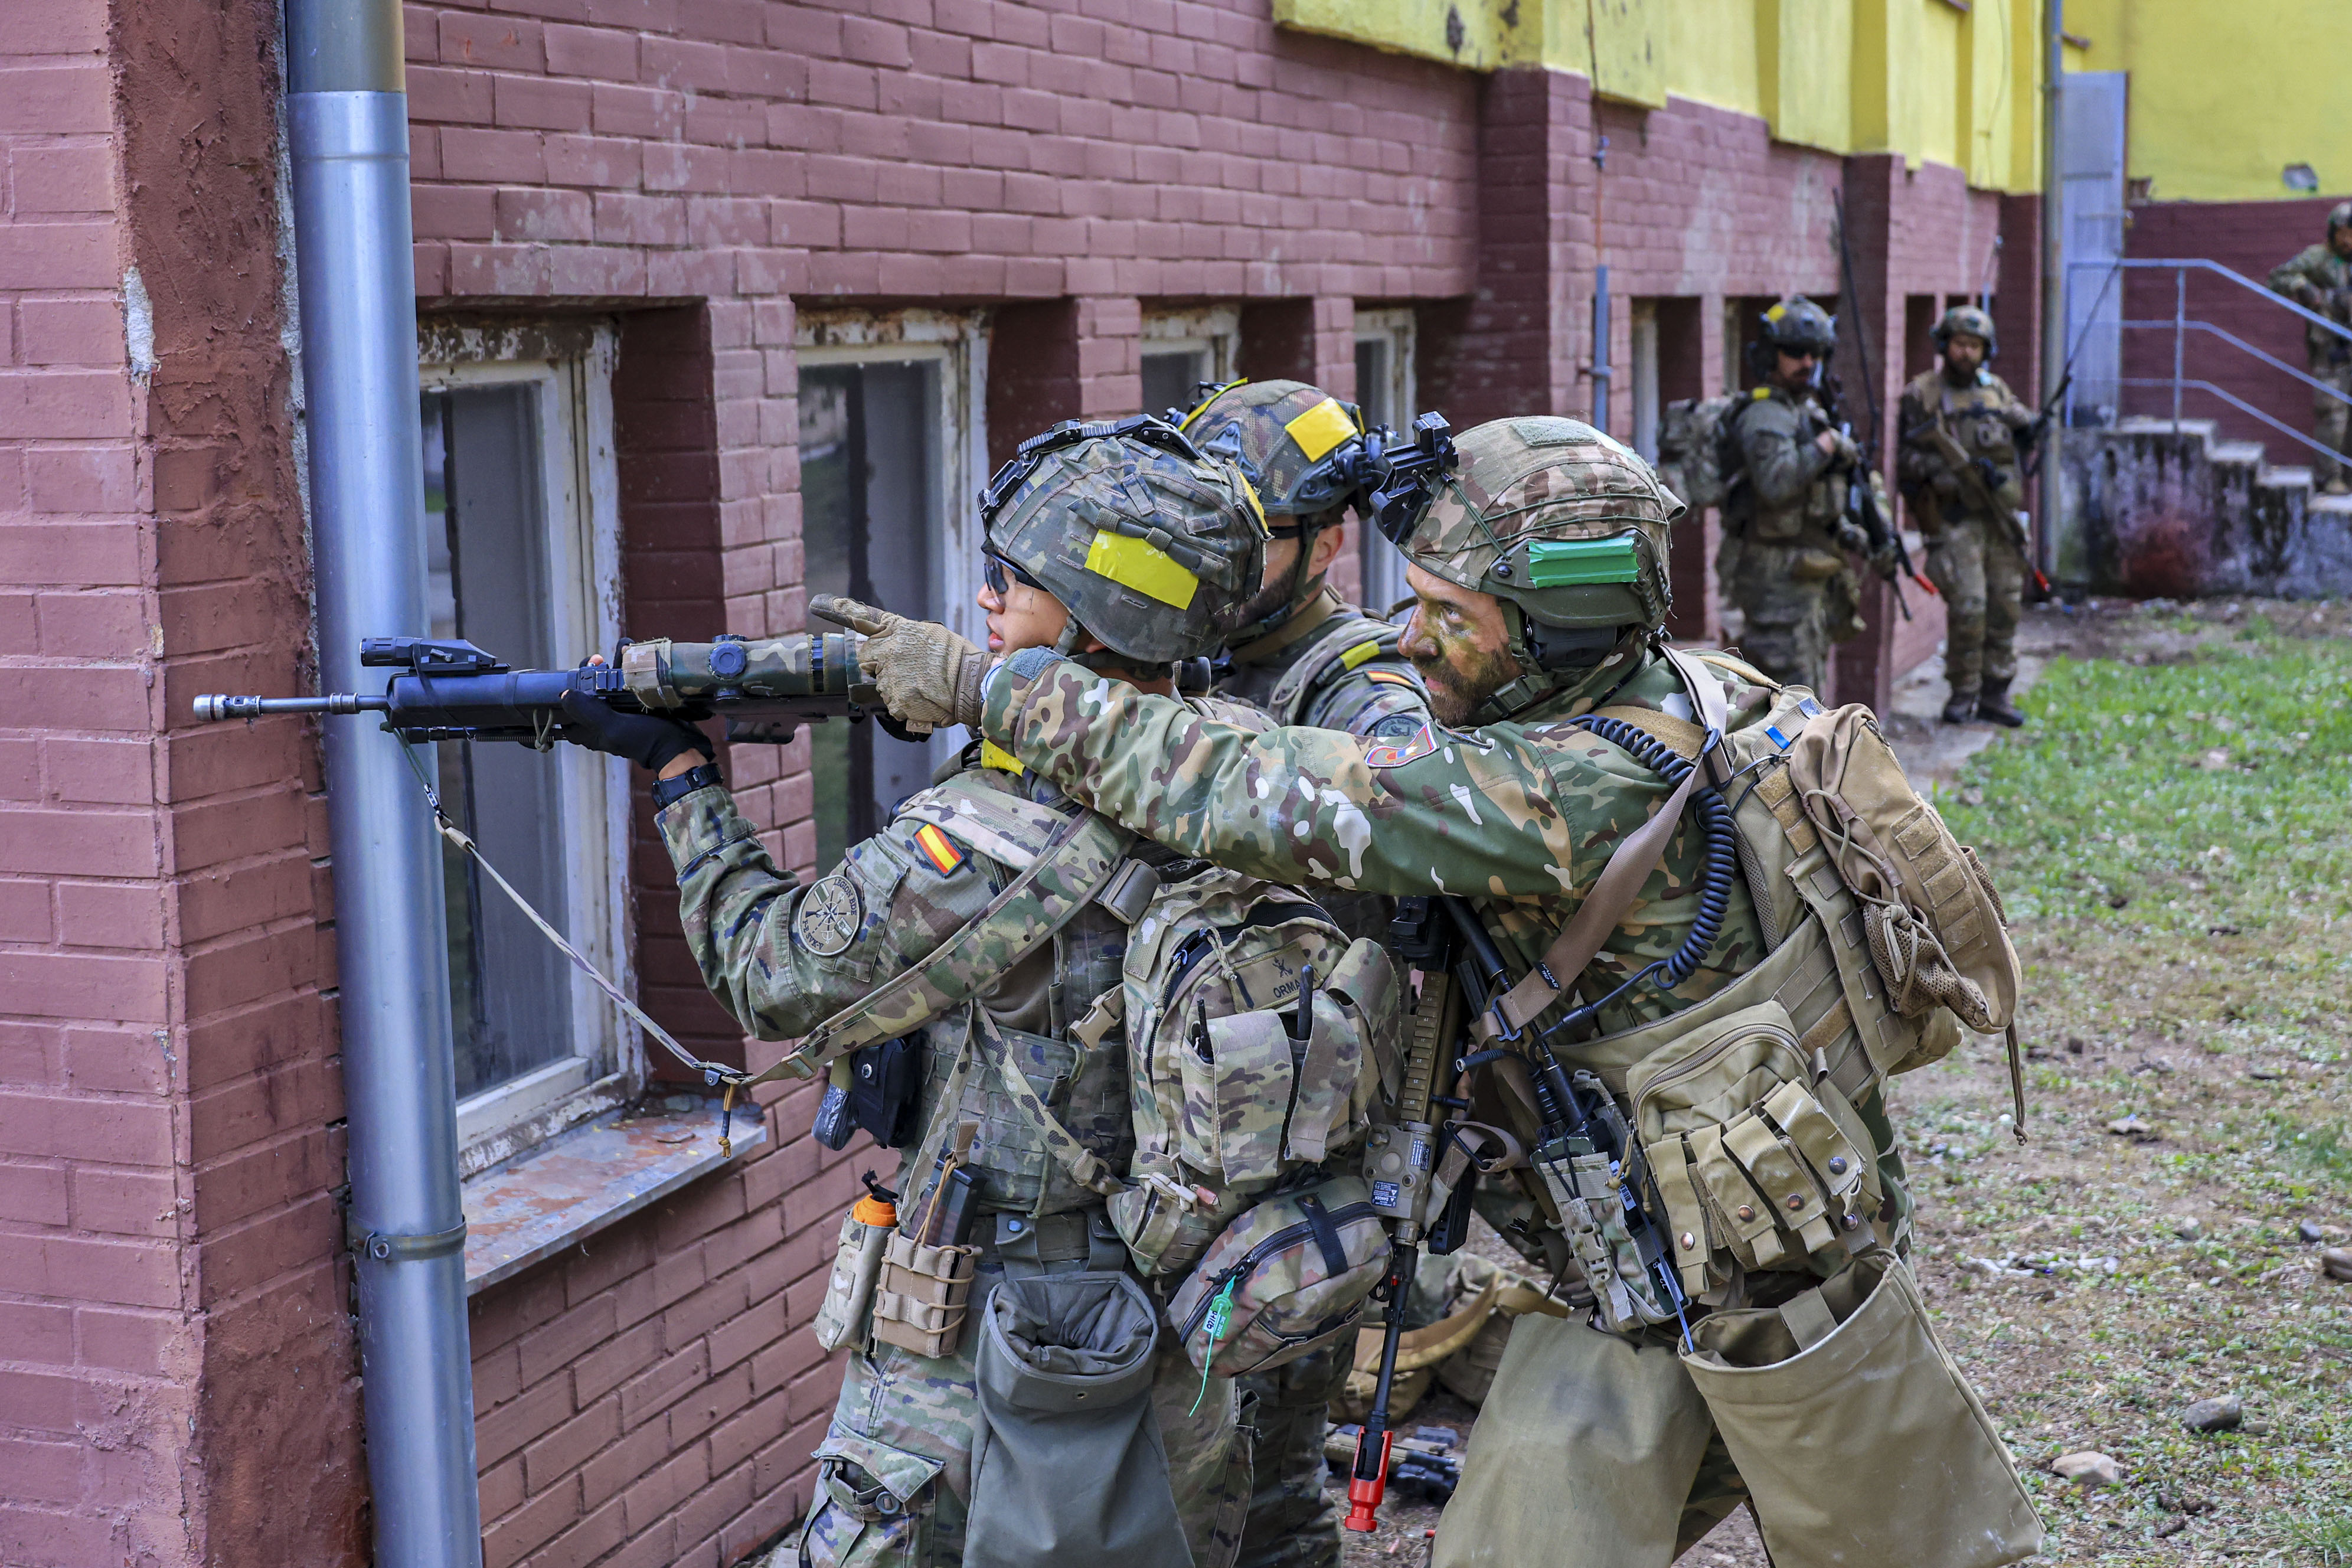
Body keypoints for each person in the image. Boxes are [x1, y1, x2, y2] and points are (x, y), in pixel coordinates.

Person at [830, 416, 2043, 1568]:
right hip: (1678, 1242)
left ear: (1551, 627)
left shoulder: (1566, 793)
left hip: (1736, 1275)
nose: (1408, 642)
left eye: (1447, 615)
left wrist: (988, 686)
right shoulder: (1696, 685)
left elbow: (1263, 789)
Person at [557, 417, 1284, 1568]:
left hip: (1004, 1337)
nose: (986, 596)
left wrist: (680, 772)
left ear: (1092, 614)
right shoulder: (1241, 769)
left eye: (1015, 576)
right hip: (1191, 1319)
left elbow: (772, 967)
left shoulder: (994, 835)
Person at [1176, 378, 1433, 1568]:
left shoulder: (1363, 685)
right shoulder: (1174, 650)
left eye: (1254, 534)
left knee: (1269, 1485)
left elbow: (1401, 865)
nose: (1219, 560)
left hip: (1293, 1148)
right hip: (1174, 1131)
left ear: (1329, 538)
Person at [1181, 380, 1432, 744]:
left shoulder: (1362, 689)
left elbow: (1396, 792)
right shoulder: (1195, 635)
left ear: (1323, 549)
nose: (1215, 559)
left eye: (1249, 540)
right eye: (1202, 528)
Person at [1719, 298, 1876, 695]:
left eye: (1815, 353)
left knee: (1807, 690)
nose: (1806, 362)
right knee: (1791, 701)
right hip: (1776, 581)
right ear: (1772, 354)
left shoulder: (1805, 409)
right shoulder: (1766, 413)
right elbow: (1776, 483)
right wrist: (1826, 445)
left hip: (1803, 577)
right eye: (1794, 352)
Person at [1896, 305, 2040, 727]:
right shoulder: (1921, 394)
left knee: (2006, 605)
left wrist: (2027, 425)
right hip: (1956, 520)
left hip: (1999, 520)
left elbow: (2019, 446)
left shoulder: (1996, 390)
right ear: (1944, 345)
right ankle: (1963, 691)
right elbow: (1905, 462)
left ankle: (1996, 691)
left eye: (1974, 346)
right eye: (1959, 344)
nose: (1966, 353)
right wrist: (1948, 474)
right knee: (1969, 608)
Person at [2266, 200, 2352, 495]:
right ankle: (2330, 477)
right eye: (2344, 233)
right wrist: (2303, 287)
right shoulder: (2318, 258)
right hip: (2330, 352)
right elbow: (2277, 278)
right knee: (2333, 415)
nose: (2349, 240)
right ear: (2333, 232)